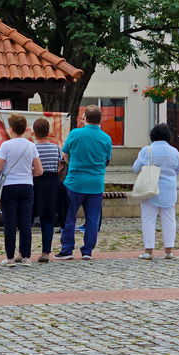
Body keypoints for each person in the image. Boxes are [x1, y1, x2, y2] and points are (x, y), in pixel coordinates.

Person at [55, 105, 113, 261]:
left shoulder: (75, 134)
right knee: (93, 218)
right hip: (96, 183)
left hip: (75, 182)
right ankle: (87, 250)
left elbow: (65, 154)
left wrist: (72, 163)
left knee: (69, 216)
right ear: (100, 119)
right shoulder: (106, 138)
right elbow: (107, 160)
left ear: (85, 118)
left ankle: (67, 249)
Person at [0, 114, 42, 266]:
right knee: (25, 222)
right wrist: (27, 172)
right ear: (24, 128)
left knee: (10, 223)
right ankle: (25, 257)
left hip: (9, 187)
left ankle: (10, 257)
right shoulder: (31, 146)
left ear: (11, 129)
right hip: (27, 186)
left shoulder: (6, 145)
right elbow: (39, 171)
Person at [133, 123, 179, 260]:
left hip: (150, 189)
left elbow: (135, 168)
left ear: (152, 135)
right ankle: (169, 250)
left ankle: (148, 251)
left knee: (148, 220)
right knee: (169, 220)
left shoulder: (147, 150)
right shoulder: (174, 151)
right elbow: (178, 170)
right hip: (169, 190)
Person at [32, 117, 64, 263]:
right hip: (52, 185)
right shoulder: (55, 148)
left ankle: (23, 252)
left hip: (36, 184)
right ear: (48, 131)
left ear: (35, 131)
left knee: (28, 219)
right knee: (48, 219)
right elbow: (59, 165)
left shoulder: (33, 148)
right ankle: (46, 252)